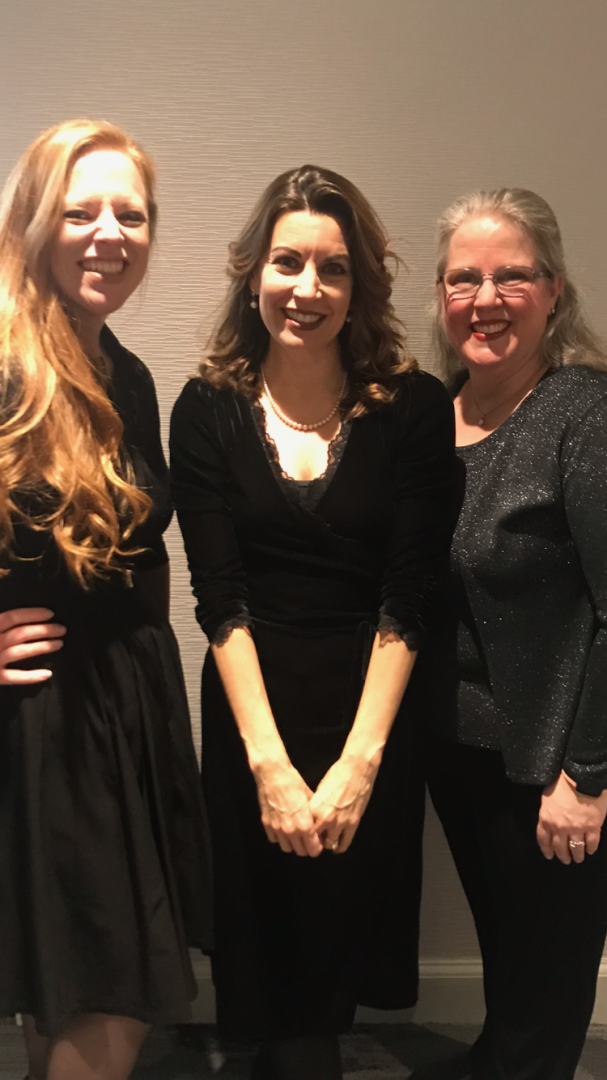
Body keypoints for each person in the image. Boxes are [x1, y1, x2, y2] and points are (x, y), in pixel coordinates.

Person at [170, 164, 460, 1080]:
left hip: (369, 715)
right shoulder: (206, 408)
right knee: (268, 970)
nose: (307, 289)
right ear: (251, 271)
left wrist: (358, 765)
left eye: (331, 269)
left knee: (332, 963)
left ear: (359, 284)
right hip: (254, 714)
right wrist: (268, 767)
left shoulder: (412, 409)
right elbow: (218, 598)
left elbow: (408, 594)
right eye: (287, 263)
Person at [0, 120, 212, 1080]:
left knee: (76, 1000)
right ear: (34, 222)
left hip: (122, 715)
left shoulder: (120, 367)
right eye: (80, 209)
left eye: (130, 212)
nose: (108, 232)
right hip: (48, 729)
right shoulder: (5, 364)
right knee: (103, 1006)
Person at [416, 187, 607, 1080]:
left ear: (554, 292)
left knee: (544, 1002)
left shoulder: (581, 412)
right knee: (512, 972)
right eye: (464, 279)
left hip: (552, 768)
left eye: (511, 277)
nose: (484, 299)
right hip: (459, 756)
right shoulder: (427, 417)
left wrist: (588, 776)